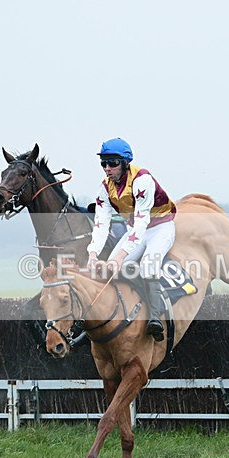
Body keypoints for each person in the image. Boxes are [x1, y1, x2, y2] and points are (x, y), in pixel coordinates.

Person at [86, 138, 176, 341]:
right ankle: (135, 303)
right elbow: (101, 224)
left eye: (112, 163)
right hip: (136, 230)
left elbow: (141, 223)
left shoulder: (142, 180)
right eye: (104, 164)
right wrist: (93, 253)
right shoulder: (104, 188)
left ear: (125, 163)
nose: (107, 168)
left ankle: (155, 316)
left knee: (147, 266)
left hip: (160, 227)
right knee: (112, 266)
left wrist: (121, 255)